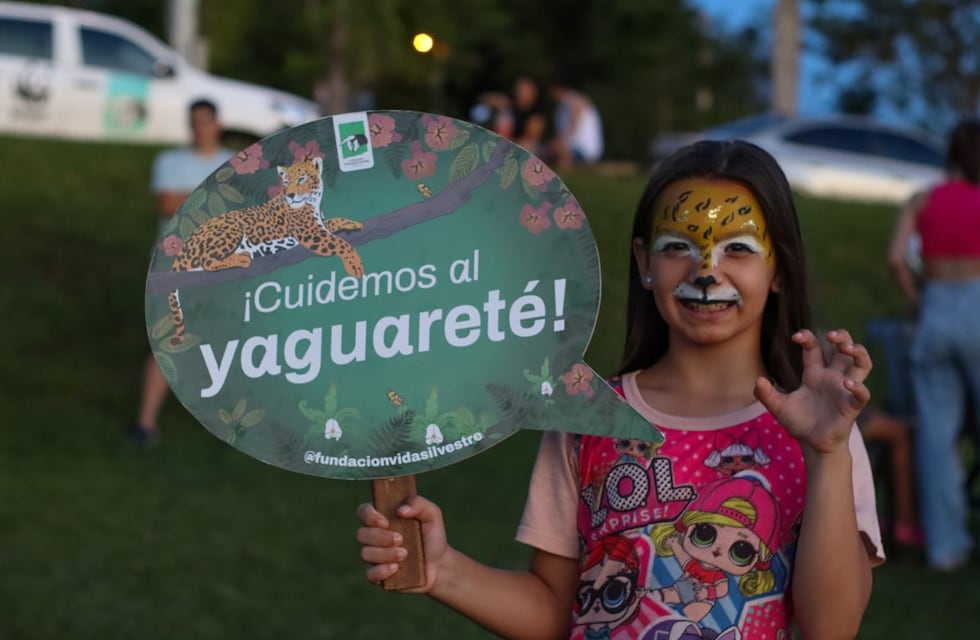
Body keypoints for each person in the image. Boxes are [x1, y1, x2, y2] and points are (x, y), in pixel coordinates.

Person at [356, 139, 884, 639]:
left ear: (778, 268)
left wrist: (826, 454)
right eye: (677, 246)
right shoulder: (589, 418)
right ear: (644, 261)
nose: (706, 271)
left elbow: (832, 628)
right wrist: (445, 569)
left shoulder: (819, 434)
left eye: (738, 249)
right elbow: (556, 611)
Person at [888, 117, 980, 571]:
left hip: (936, 310)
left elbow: (896, 258)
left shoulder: (923, 199)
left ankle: (946, 548)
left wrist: (917, 301)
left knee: (937, 436)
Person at [128, 98, 234, 445]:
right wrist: (216, 200)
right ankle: (145, 424)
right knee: (167, 341)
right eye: (194, 121)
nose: (198, 128)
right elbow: (167, 205)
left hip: (225, 268)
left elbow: (240, 210)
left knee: (227, 342)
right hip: (176, 265)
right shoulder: (170, 162)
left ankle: (230, 422)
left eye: (204, 121)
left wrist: (194, 201)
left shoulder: (235, 162)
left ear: (217, 125)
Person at [547, 79, 604, 171]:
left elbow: (573, 127)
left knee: (559, 150)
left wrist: (559, 142)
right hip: (575, 148)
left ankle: (565, 171)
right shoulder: (561, 107)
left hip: (585, 150)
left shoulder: (575, 101)